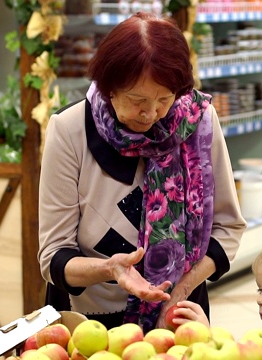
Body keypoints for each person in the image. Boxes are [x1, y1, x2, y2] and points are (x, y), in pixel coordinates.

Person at [37, 11, 246, 333]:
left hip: (179, 314)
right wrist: (111, 269)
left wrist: (178, 293)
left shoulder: (198, 122)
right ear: (109, 89)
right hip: (89, 322)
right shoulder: (69, 129)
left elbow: (228, 227)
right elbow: (54, 256)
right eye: (138, 100)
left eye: (165, 99)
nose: (151, 114)